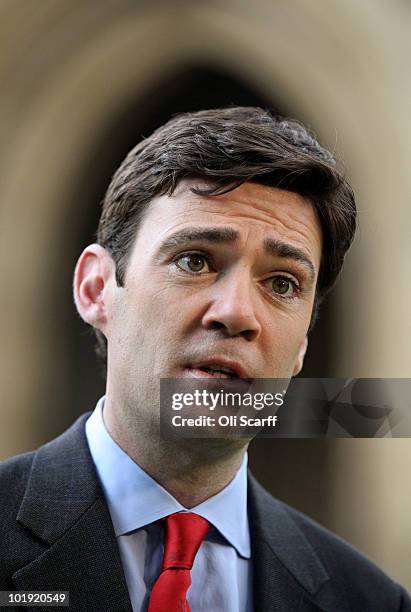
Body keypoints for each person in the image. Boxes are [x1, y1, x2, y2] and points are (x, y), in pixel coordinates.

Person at [0, 107, 409, 611]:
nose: (238, 313)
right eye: (195, 260)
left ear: (302, 343)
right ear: (97, 289)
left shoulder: (370, 601)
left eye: (282, 283)